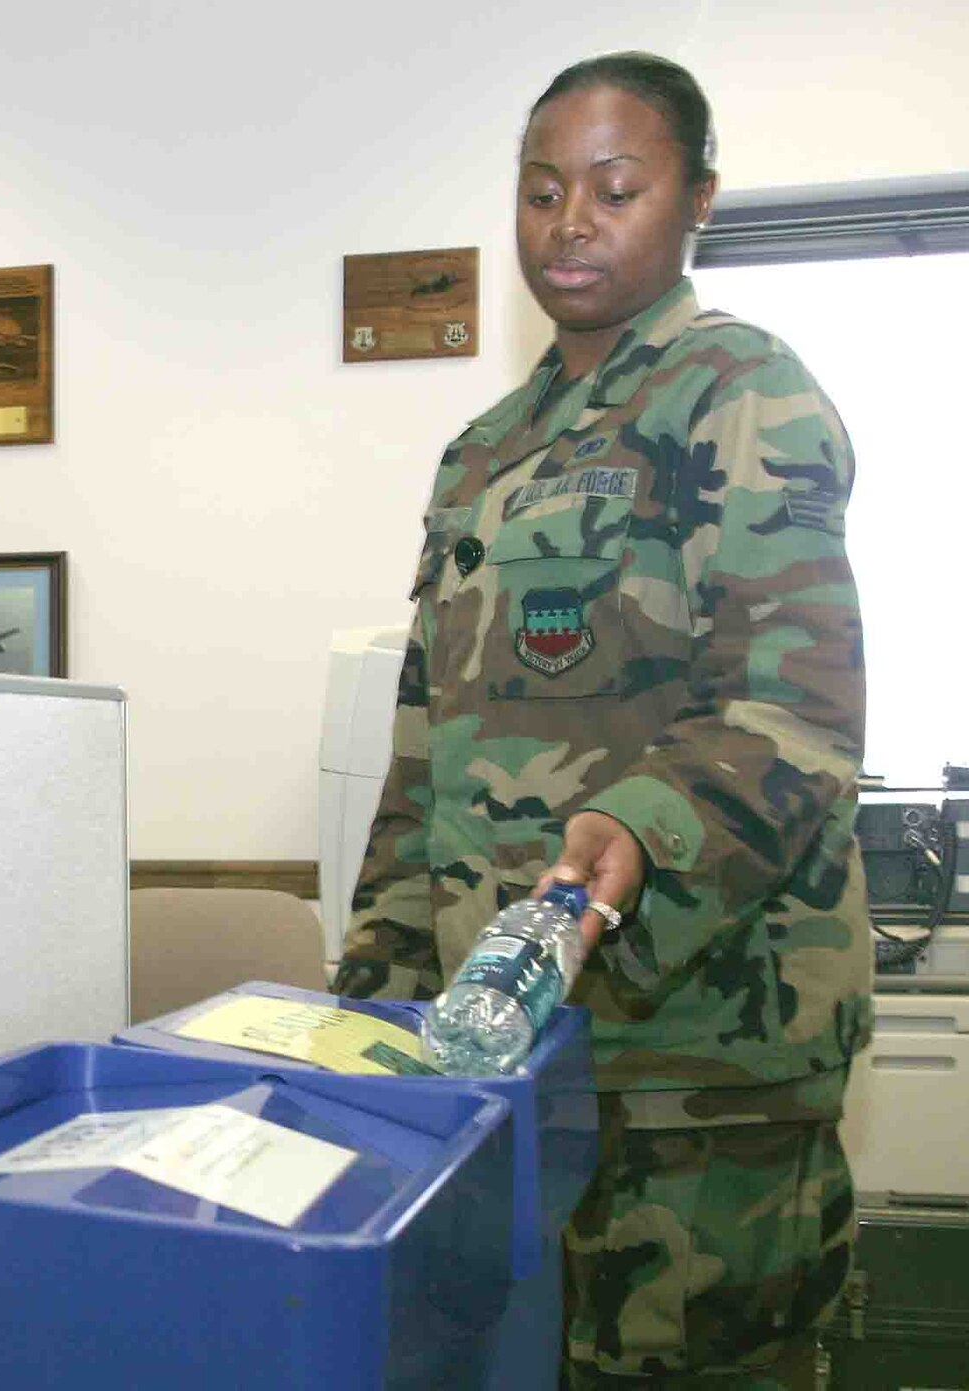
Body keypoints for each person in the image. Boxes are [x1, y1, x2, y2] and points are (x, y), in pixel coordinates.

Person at [329, 51, 872, 1390]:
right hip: (495, 1062)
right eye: (541, 190)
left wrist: (629, 836)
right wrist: (374, 996)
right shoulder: (487, 449)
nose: (571, 220)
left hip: (691, 1061)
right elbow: (426, 751)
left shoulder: (739, 389)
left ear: (699, 200)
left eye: (616, 187)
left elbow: (795, 709)